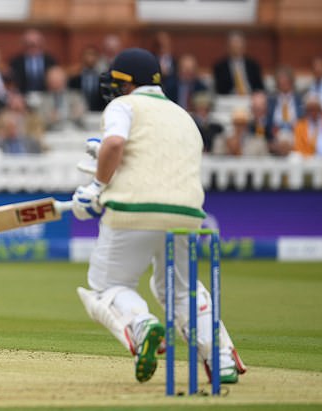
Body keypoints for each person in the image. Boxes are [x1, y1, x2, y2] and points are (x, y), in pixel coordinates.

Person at [72, 48, 246, 385]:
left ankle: (142, 324)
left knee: (106, 287)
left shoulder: (123, 105)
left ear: (126, 83)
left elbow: (116, 144)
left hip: (133, 213)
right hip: (187, 215)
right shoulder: (184, 116)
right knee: (179, 291)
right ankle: (221, 358)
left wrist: (96, 187)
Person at [213, 31, 264, 95]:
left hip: (251, 97)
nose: (236, 46)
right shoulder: (220, 66)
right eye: (234, 43)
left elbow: (260, 87)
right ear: (228, 46)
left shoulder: (253, 65)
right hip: (230, 99)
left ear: (244, 46)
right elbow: (219, 89)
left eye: (239, 43)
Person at [293, 92, 322, 158]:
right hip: (308, 161)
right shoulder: (300, 125)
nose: (313, 112)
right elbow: (298, 147)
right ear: (306, 110)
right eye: (310, 109)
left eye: (316, 109)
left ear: (320, 109)